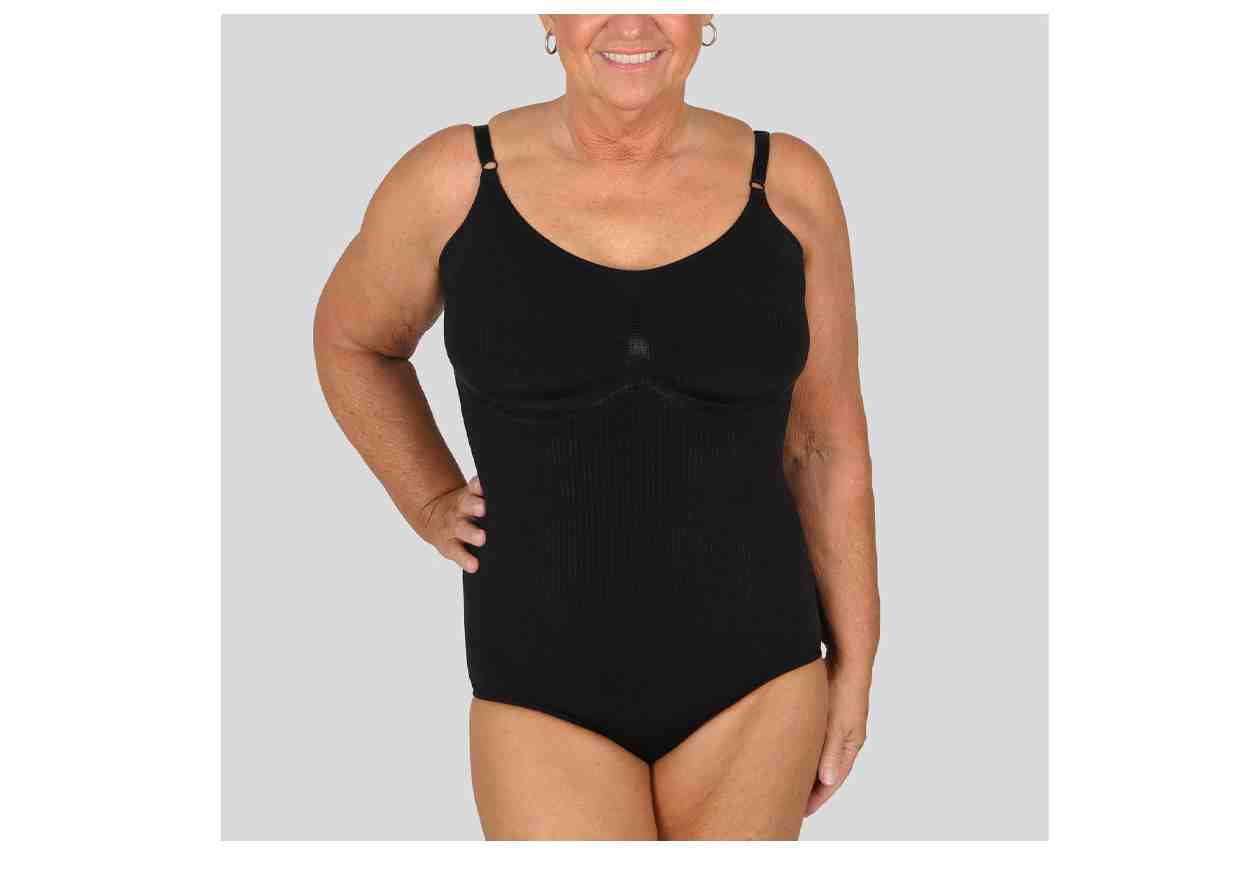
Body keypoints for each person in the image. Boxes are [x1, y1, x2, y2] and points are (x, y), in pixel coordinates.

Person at [313, 14, 879, 840]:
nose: (631, 21)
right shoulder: (453, 180)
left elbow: (825, 445)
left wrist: (856, 667)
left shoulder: (789, 182)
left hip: (758, 676)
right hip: (537, 689)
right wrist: (426, 497)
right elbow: (351, 341)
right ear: (547, 15)